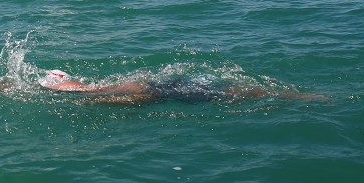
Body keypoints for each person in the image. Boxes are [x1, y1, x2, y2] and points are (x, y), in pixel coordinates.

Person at [37, 69, 327, 106]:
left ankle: (297, 96)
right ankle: (296, 95)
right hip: (170, 86)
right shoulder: (108, 87)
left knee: (228, 94)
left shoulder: (137, 90)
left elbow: (91, 94)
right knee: (228, 92)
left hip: (170, 89)